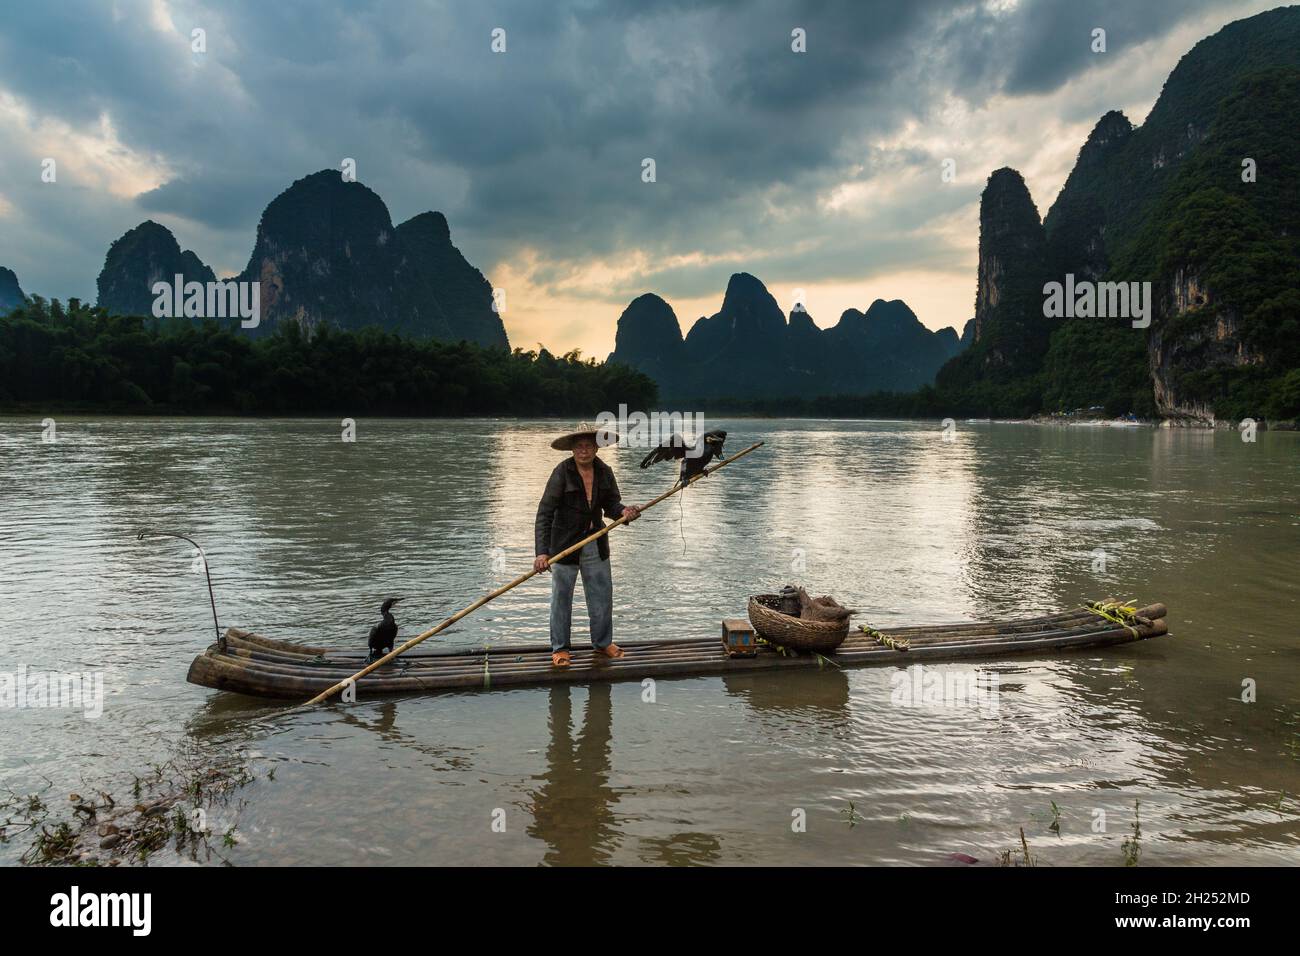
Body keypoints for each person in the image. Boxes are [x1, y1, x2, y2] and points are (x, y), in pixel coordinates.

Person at [535, 422, 641, 667]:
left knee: (602, 596)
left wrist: (624, 512)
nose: (584, 451)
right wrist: (541, 552)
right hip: (563, 546)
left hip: (595, 543)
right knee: (561, 599)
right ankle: (560, 649)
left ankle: (603, 643)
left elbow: (612, 505)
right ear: (572, 449)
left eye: (589, 446)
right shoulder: (561, 473)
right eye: (579, 446)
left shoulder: (605, 472)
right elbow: (544, 513)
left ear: (596, 448)